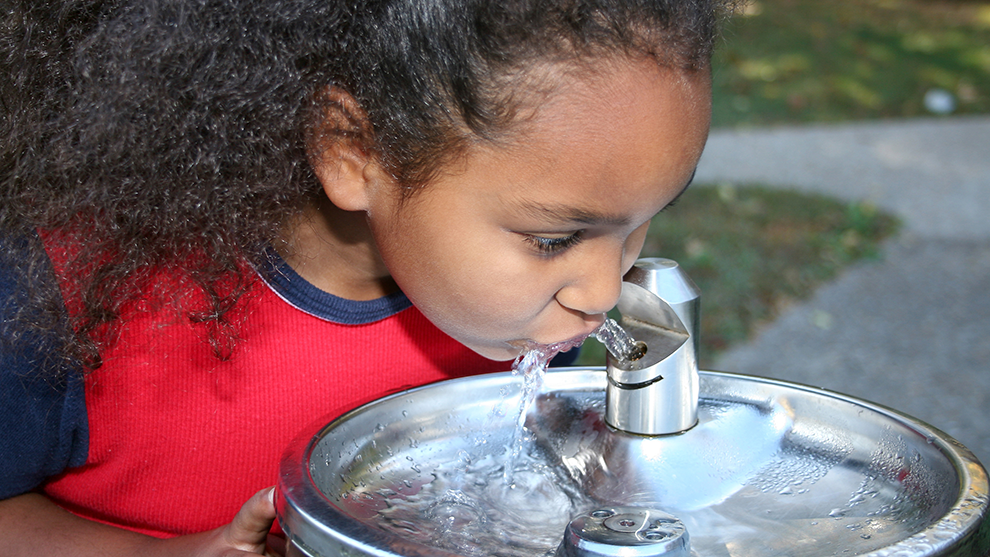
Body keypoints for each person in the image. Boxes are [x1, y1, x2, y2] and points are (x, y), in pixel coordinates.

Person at [0, 0, 723, 555]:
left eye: (637, 225)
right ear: (352, 152)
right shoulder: (70, 300)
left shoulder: (522, 319)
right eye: (554, 238)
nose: (601, 292)